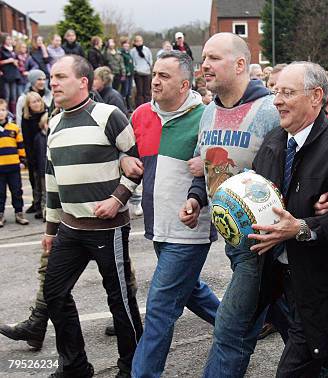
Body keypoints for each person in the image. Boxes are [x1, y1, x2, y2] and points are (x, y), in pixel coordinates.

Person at [250, 61, 328, 377]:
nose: (276, 100)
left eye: (287, 92)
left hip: (320, 282)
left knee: (295, 366)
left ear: (316, 96)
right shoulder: (275, 140)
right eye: (276, 92)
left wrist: (301, 227)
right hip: (278, 276)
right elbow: (260, 194)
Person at [179, 32, 280, 378]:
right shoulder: (208, 113)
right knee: (304, 333)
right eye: (203, 58)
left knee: (230, 330)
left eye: (213, 58)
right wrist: (196, 198)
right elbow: (202, 163)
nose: (204, 65)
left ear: (240, 64)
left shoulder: (270, 109)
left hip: (265, 244)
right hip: (234, 243)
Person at [42, 54, 142, 377]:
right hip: (69, 229)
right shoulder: (54, 122)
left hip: (107, 228)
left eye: (60, 76)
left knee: (120, 299)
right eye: (51, 77)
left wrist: (118, 199)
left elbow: (135, 163)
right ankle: (75, 366)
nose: (52, 82)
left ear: (82, 82)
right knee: (54, 292)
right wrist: (50, 228)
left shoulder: (109, 115)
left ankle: (133, 366)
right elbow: (52, 180)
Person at [125, 50, 220, 377]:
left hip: (190, 231)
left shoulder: (206, 116)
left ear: (184, 83)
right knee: (191, 289)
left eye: (164, 76)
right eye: (154, 74)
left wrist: (207, 168)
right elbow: (125, 152)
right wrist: (124, 159)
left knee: (161, 308)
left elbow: (224, 163)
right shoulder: (139, 114)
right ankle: (237, 326)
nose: (155, 80)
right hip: (158, 227)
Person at [19, 91, 48, 219]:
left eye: (38, 101)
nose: (36, 104)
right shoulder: (26, 119)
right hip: (33, 153)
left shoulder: (46, 115)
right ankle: (36, 204)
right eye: (33, 102)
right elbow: (27, 141)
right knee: (34, 180)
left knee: (44, 184)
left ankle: (43, 207)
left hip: (45, 152)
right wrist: (30, 158)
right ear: (28, 105)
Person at [0, 98, 28, 227]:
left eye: (3, 110)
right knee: (0, 193)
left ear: (7, 111)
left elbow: (20, 145)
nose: (1, 113)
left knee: (17, 191)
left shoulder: (14, 128)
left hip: (13, 167)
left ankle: (19, 213)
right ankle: (0, 215)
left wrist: (22, 160)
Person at [0, 34, 21, 114]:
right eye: (8, 39)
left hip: (14, 75)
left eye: (10, 39)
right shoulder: (1, 50)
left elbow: (17, 60)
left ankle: (14, 113)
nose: (9, 41)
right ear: (4, 40)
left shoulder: (13, 50)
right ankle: (6, 112)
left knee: (14, 96)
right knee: (7, 96)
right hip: (5, 75)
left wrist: (16, 62)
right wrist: (8, 60)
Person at [130, 35, 153, 107]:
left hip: (146, 72)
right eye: (137, 41)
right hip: (138, 72)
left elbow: (150, 59)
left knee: (147, 91)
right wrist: (135, 68)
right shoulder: (133, 51)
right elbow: (132, 61)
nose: (138, 43)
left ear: (142, 41)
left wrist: (149, 67)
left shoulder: (146, 50)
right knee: (139, 91)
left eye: (140, 41)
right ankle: (140, 106)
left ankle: (148, 106)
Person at [119, 38, 134, 111]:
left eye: (127, 45)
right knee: (124, 91)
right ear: (122, 45)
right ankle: (123, 107)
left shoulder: (129, 53)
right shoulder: (121, 53)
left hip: (130, 74)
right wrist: (126, 71)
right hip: (125, 75)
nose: (126, 46)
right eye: (125, 45)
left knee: (129, 92)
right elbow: (122, 64)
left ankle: (129, 107)